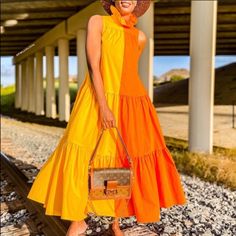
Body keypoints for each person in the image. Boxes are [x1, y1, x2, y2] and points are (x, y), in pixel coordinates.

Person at [27, 0, 187, 235]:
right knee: (84, 151)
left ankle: (115, 220)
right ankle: (78, 217)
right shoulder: (97, 22)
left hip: (134, 102)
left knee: (124, 157)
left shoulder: (140, 37)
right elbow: (94, 67)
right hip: (97, 98)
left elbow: (129, 72)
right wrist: (104, 105)